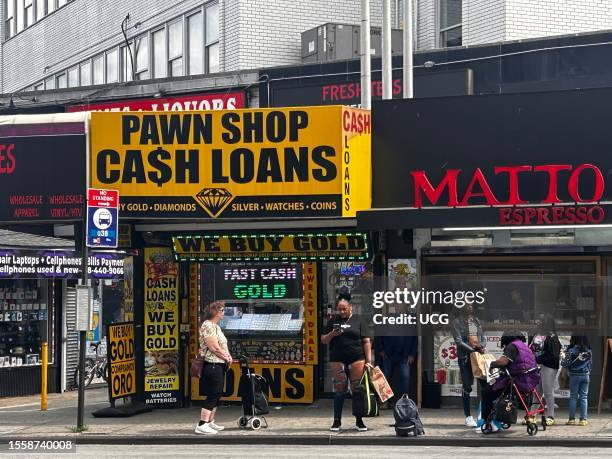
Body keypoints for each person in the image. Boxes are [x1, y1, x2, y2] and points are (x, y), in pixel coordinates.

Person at [321, 291, 371, 432]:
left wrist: (368, 361)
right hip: (338, 358)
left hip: (357, 358)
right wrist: (332, 334)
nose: (342, 311)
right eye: (340, 309)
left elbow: (366, 341)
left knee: (357, 389)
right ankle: (337, 421)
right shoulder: (333, 321)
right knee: (340, 389)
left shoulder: (359, 320)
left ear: (350, 308)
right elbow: (323, 340)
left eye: (344, 309)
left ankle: (359, 421)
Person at [483, 332, 540, 432]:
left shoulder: (512, 346)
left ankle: (487, 421)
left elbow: (503, 362)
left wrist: (492, 364)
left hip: (517, 382)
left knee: (487, 392)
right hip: (528, 381)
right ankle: (501, 418)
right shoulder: (524, 347)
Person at [195, 301, 233, 435]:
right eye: (222, 310)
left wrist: (227, 357)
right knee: (213, 394)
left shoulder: (216, 326)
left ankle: (210, 422)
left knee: (217, 394)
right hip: (212, 365)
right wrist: (227, 357)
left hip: (220, 364)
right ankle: (202, 424)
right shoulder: (207, 325)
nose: (223, 313)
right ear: (216, 312)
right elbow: (214, 347)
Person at [452, 300, 486, 427]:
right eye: (467, 305)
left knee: (484, 385)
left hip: (477, 357)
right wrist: (473, 350)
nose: (469, 307)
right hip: (465, 357)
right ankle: (468, 416)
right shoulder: (456, 322)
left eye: (471, 305)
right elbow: (459, 341)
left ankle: (482, 414)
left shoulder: (476, 321)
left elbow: (482, 337)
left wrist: (482, 346)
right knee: (467, 387)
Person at [375, 304, 417, 405]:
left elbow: (414, 338)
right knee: (384, 378)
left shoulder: (410, 320)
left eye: (399, 306)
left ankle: (404, 402)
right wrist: (381, 349)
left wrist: (412, 354)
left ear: (405, 307)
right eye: (396, 306)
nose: (397, 308)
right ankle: (384, 402)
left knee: (405, 378)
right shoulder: (389, 319)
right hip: (388, 354)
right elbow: (379, 334)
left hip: (404, 355)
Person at [532, 316, 561, 426]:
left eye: (541, 320)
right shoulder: (537, 334)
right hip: (538, 365)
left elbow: (553, 355)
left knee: (548, 391)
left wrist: (537, 359)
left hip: (548, 366)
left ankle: (551, 416)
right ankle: (532, 414)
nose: (538, 322)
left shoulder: (552, 337)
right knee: (537, 392)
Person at [561, 335, 592, 426]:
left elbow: (565, 364)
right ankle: (583, 420)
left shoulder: (571, 351)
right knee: (584, 397)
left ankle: (571, 419)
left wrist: (563, 356)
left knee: (573, 397)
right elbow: (590, 364)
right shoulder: (589, 351)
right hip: (585, 375)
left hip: (574, 376)